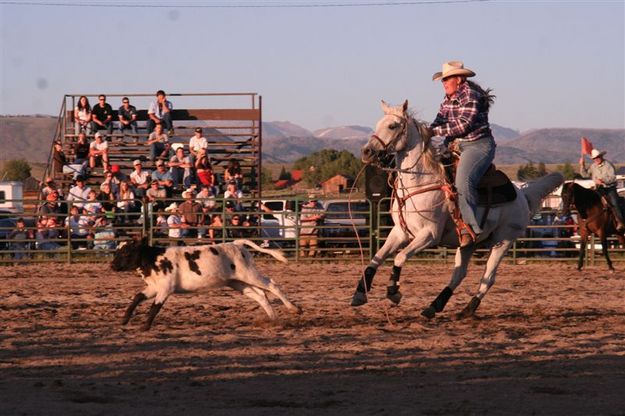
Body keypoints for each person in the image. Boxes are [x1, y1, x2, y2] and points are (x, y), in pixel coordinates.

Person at [429, 61, 496, 247]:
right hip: (454, 145)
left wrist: (433, 132)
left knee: (462, 182)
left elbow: (463, 125)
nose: (444, 82)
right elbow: (439, 120)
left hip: (478, 145)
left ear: (459, 79)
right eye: (443, 79)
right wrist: (424, 131)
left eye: (447, 78)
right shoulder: (447, 99)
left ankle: (470, 228)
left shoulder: (471, 95)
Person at [579, 148, 625, 232]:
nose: (596, 159)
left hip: (609, 188)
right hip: (598, 189)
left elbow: (612, 178)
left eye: (597, 157)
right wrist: (582, 165)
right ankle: (589, 221)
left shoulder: (608, 165)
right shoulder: (593, 166)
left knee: (614, 203)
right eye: (594, 158)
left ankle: (620, 221)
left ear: (601, 156)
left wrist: (603, 180)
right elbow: (585, 175)